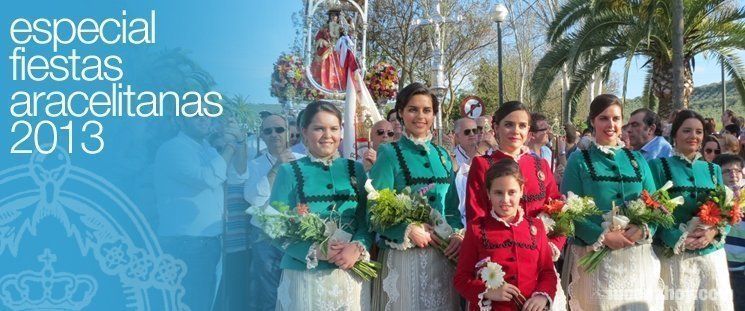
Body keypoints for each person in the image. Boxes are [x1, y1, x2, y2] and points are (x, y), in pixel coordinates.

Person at [561, 94, 664, 310]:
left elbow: (656, 204)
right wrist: (603, 237)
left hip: (636, 260)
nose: (611, 125)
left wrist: (643, 229)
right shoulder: (579, 160)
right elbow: (568, 211)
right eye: (603, 118)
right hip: (595, 260)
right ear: (592, 121)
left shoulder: (637, 160)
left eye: (616, 119)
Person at [269, 101, 373, 310]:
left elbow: (367, 220)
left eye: (334, 128)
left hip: (350, 273)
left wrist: (358, 247)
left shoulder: (356, 169)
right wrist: (313, 250)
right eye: (319, 128)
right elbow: (274, 227)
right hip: (305, 276)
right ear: (304, 132)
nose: (328, 135)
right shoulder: (288, 172)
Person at [370, 82, 463, 311]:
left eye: (426, 110)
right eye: (413, 109)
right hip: (404, 258)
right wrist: (406, 229)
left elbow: (451, 208)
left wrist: (458, 236)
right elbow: (373, 209)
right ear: (401, 113)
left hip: (443, 260)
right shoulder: (389, 153)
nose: (420, 116)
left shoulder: (442, 155)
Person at [647, 109, 733, 310]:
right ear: (675, 134)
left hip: (711, 256)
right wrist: (678, 238)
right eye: (686, 131)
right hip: (674, 257)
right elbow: (652, 210)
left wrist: (713, 231)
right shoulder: (657, 166)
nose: (693, 136)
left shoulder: (714, 170)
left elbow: (727, 212)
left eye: (698, 132)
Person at [454, 159, 557, 311]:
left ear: (521, 190)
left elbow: (547, 272)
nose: (505, 200)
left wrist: (542, 296)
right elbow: (461, 279)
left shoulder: (537, 227)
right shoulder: (476, 229)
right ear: (488, 193)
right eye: (498, 193)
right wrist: (488, 291)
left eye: (512, 192)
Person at [154, 116, 230, 311]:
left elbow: (233, 174)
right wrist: (230, 149)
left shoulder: (207, 149)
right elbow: (207, 178)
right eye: (195, 115)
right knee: (190, 302)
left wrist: (234, 142)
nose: (204, 119)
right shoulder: (173, 148)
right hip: (187, 242)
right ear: (179, 121)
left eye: (206, 114)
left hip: (207, 240)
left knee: (204, 299)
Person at [243, 114, 305, 311]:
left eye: (279, 129)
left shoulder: (304, 161)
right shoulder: (254, 165)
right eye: (268, 131)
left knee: (297, 291)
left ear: (288, 132)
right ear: (261, 135)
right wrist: (277, 167)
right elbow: (254, 198)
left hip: (297, 235)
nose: (274, 134)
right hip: (266, 237)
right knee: (269, 293)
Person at [713, 154, 745, 310]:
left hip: (741, 269)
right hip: (721, 266)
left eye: (737, 170)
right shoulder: (713, 198)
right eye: (727, 171)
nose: (733, 175)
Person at [453, 117, 481, 226]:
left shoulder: (487, 154)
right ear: (457, 137)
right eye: (467, 132)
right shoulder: (452, 158)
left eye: (475, 130)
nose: (472, 134)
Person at [311, 11, 343, 91]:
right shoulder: (324, 28)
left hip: (337, 51)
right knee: (326, 66)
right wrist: (323, 42)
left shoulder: (341, 28)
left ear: (338, 17)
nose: (333, 17)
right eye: (331, 15)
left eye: (335, 15)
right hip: (327, 50)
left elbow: (345, 38)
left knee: (339, 69)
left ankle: (337, 87)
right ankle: (324, 86)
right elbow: (318, 38)